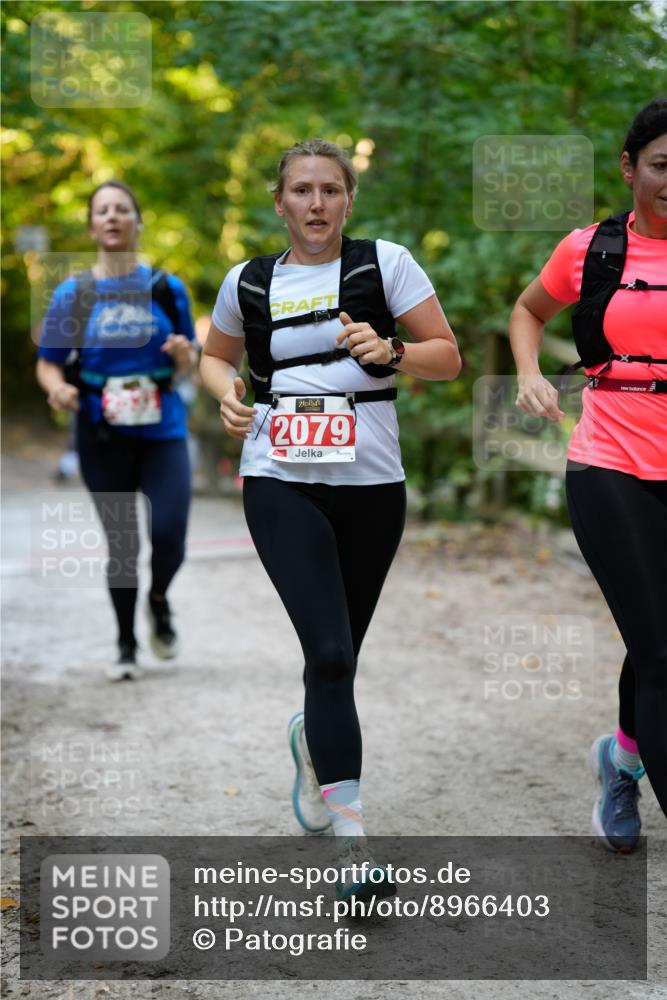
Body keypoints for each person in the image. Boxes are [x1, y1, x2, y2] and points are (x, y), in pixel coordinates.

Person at [201, 138, 461, 900]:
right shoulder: (247, 281)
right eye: (301, 191)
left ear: (349, 199)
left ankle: (310, 737)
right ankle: (352, 844)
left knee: (336, 657)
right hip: (279, 479)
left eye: (330, 191)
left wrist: (391, 349)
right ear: (279, 202)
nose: (315, 204)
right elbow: (215, 357)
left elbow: (446, 356)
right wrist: (224, 391)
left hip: (373, 486)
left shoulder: (385, 265)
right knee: (331, 654)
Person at [509, 98, 667, 849]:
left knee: (654, 642)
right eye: (662, 166)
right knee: (660, 648)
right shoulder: (591, 248)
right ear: (628, 168)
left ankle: (621, 760)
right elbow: (527, 311)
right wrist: (526, 375)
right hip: (608, 457)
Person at [36, 180, 197, 681]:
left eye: (122, 209)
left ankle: (159, 599)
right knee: (123, 543)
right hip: (100, 433)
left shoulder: (167, 289)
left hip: (162, 429)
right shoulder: (74, 293)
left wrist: (185, 358)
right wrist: (57, 389)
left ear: (137, 220)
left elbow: (190, 359)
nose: (111, 217)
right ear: (91, 225)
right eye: (102, 210)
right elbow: (48, 364)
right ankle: (126, 645)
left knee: (169, 534)